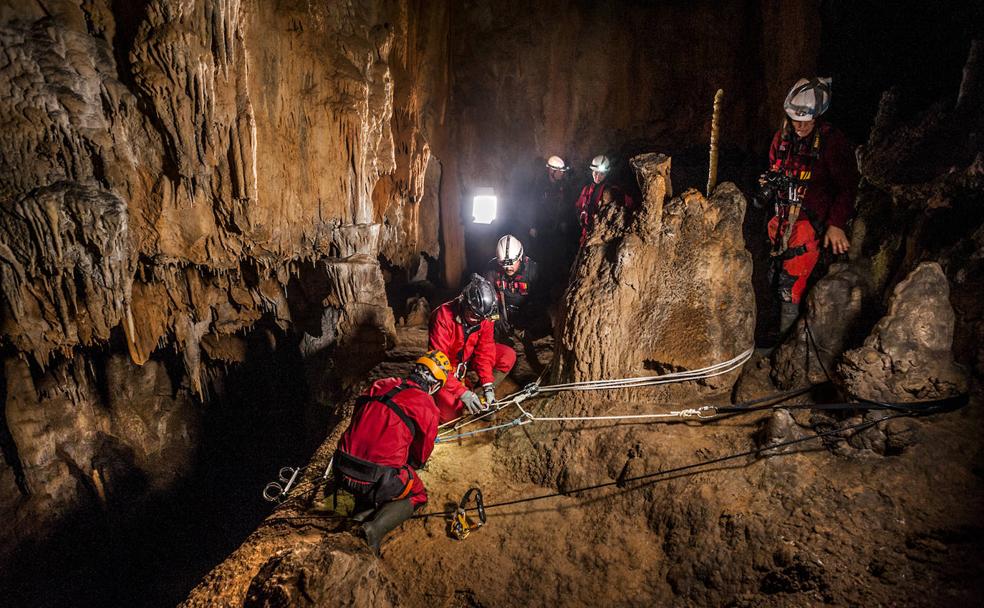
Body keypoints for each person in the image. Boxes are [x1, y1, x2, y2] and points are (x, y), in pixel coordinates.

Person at [763, 77, 859, 334]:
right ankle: (775, 336)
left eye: (806, 120)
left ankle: (786, 346)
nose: (801, 126)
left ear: (817, 117)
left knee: (791, 285)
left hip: (810, 224)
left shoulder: (831, 142)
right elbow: (775, 169)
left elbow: (847, 186)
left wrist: (836, 224)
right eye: (796, 119)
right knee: (774, 279)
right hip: (782, 219)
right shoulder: (782, 138)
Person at [332, 350, 452, 555]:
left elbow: (358, 416)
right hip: (374, 479)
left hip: (340, 466)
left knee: (375, 481)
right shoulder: (428, 406)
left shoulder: (381, 384)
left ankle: (358, 518)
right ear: (434, 386)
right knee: (417, 492)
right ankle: (373, 530)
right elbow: (420, 457)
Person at [428, 274, 516, 423]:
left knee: (507, 356)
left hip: (469, 359)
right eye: (473, 315)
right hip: (447, 367)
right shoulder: (442, 316)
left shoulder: (484, 316)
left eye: (481, 318)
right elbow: (437, 363)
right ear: (465, 304)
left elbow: (485, 350)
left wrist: (487, 385)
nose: (477, 321)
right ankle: (463, 398)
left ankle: (480, 399)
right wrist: (462, 393)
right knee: (449, 417)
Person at [575, 155, 634, 245]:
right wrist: (580, 218)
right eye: (596, 172)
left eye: (601, 174)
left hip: (600, 236)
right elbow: (578, 206)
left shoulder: (611, 190)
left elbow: (629, 203)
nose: (597, 176)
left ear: (606, 174)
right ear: (592, 172)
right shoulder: (586, 189)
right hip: (585, 233)